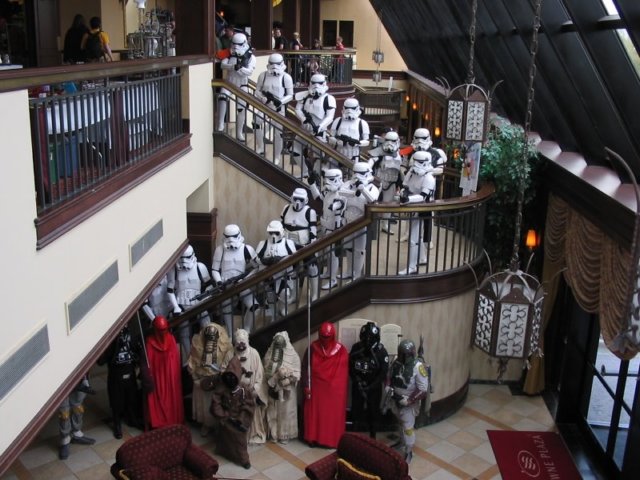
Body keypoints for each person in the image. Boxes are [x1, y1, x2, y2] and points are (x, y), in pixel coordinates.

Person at [303, 321, 349, 448]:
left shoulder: (341, 351)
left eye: (328, 337)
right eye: (323, 336)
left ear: (333, 335)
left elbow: (342, 374)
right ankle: (312, 438)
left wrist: (335, 387)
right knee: (314, 415)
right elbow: (305, 368)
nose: (325, 339)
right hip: (316, 389)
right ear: (319, 335)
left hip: (334, 393)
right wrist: (306, 385)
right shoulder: (312, 349)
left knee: (331, 417)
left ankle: (331, 440)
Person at [385, 339, 430, 463]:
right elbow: (389, 376)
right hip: (395, 399)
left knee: (408, 427)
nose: (404, 357)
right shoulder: (396, 361)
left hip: (409, 402)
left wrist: (410, 400)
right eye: (402, 354)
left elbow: (423, 389)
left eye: (406, 355)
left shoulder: (418, 366)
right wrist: (388, 387)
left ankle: (409, 450)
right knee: (399, 422)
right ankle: (402, 441)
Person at [166, 245, 213, 364]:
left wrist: (204, 298)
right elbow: (170, 290)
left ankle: (208, 355)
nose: (184, 261)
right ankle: (188, 358)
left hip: (198, 302)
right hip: (181, 304)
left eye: (186, 258)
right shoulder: (174, 270)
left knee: (207, 326)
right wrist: (176, 307)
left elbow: (209, 285)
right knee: (184, 333)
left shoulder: (200, 267)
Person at [211, 224, 259, 336]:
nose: (231, 240)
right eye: (228, 237)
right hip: (225, 284)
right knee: (226, 309)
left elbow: (257, 267)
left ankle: (246, 329)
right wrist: (219, 282)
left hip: (241, 284)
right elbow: (214, 269)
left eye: (233, 236)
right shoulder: (220, 250)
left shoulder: (246, 249)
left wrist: (246, 279)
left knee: (254, 306)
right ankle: (230, 333)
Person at [222, 329, 268, 444]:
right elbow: (223, 370)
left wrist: (256, 388)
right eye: (238, 343)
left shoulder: (254, 353)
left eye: (243, 343)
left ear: (247, 342)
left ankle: (253, 434)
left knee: (250, 408)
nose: (241, 346)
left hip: (250, 391)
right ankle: (235, 437)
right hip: (234, 392)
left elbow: (260, 374)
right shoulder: (230, 354)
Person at [97, 325, 143, 439]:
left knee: (132, 397)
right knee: (116, 400)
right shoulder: (110, 338)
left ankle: (132, 419)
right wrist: (115, 344)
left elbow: (138, 352)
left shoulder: (130, 335)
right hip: (116, 373)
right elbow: (100, 361)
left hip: (129, 370)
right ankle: (117, 423)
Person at [187, 322, 232, 437]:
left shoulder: (226, 346)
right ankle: (206, 425)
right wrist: (195, 378)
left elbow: (229, 362)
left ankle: (219, 425)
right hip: (202, 381)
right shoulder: (197, 345)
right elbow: (192, 363)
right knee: (205, 407)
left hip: (218, 380)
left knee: (217, 404)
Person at [210, 356, 255, 469]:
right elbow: (216, 400)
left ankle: (244, 460)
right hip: (225, 417)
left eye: (233, 376)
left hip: (238, 420)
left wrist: (241, 419)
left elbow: (248, 405)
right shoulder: (222, 386)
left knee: (240, 441)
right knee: (224, 438)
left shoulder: (244, 389)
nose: (230, 379)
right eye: (228, 376)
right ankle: (223, 452)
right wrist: (222, 414)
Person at [141, 315, 184, 429]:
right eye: (160, 330)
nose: (162, 332)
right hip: (158, 378)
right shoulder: (150, 343)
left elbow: (175, 360)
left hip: (170, 377)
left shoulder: (170, 339)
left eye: (164, 329)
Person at [338, 162, 379, 280]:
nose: (357, 176)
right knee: (348, 247)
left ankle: (357, 274)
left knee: (359, 250)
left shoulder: (372, 187)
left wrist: (363, 189)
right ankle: (349, 271)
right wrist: (353, 191)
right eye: (355, 172)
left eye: (360, 173)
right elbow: (340, 193)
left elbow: (373, 200)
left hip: (362, 222)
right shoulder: (348, 184)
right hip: (348, 220)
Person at [398, 151, 437, 274]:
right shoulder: (413, 173)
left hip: (422, 209)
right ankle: (422, 257)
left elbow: (423, 196)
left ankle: (412, 267)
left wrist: (408, 199)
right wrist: (404, 193)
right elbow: (405, 185)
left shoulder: (429, 178)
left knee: (413, 238)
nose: (415, 165)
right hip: (412, 206)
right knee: (416, 235)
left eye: (419, 162)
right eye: (414, 161)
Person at [307, 168, 346, 289]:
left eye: (331, 180)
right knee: (328, 253)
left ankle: (333, 279)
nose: (328, 183)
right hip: (325, 225)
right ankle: (329, 272)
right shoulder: (328, 192)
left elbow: (340, 207)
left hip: (334, 228)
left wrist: (337, 232)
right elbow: (318, 198)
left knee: (333, 254)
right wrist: (312, 184)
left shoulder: (342, 193)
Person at [349, 322, 389, 439]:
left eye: (370, 338)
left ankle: (373, 436)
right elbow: (350, 366)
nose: (367, 341)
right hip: (358, 385)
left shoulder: (381, 352)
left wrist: (371, 386)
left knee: (373, 412)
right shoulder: (356, 348)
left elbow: (383, 373)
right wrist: (357, 380)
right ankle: (355, 435)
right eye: (365, 338)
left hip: (374, 387)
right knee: (356, 410)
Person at [254, 53, 294, 166]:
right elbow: (257, 90)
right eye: (272, 64)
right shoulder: (263, 75)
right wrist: (262, 97)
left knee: (278, 134)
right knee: (256, 122)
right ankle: (261, 146)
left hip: (279, 108)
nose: (274, 66)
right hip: (266, 105)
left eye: (277, 64)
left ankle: (277, 157)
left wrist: (280, 101)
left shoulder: (286, 77)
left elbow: (290, 95)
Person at [293, 73, 337, 176]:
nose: (316, 86)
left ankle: (315, 177)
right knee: (295, 150)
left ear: (324, 84)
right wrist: (303, 118)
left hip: (319, 131)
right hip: (305, 129)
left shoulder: (329, 99)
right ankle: (305, 171)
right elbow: (297, 109)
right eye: (314, 83)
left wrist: (320, 127)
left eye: (319, 83)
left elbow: (330, 117)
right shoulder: (304, 95)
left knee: (318, 156)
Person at [280, 187, 319, 301]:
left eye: (301, 200)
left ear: (305, 200)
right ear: (292, 197)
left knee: (312, 268)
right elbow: (281, 226)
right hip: (289, 245)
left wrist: (312, 245)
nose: (298, 202)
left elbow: (313, 230)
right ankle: (293, 295)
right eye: (296, 198)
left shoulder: (310, 212)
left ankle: (314, 294)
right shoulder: (286, 209)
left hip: (305, 245)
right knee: (291, 271)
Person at [217, 32, 256, 141]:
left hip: (242, 84)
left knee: (241, 108)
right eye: (234, 44)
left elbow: (249, 72)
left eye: (238, 44)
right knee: (222, 97)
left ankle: (239, 132)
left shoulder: (251, 56)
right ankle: (220, 123)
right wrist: (233, 66)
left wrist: (240, 68)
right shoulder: (230, 53)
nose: (235, 47)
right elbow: (222, 64)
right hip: (229, 82)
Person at [263, 331, 300, 444]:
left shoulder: (293, 355)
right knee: (273, 411)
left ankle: (284, 434)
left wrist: (288, 380)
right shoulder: (269, 353)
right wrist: (274, 377)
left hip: (287, 390)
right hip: (273, 387)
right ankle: (273, 433)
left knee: (285, 412)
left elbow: (297, 372)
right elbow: (265, 368)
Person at [255, 220, 297, 318]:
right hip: (269, 276)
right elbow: (256, 258)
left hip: (284, 275)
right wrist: (266, 261)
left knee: (285, 293)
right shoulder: (263, 243)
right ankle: (273, 314)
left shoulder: (288, 243)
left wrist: (281, 259)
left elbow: (294, 257)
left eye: (276, 233)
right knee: (270, 296)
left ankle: (283, 309)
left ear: (281, 232)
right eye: (271, 232)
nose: (273, 235)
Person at [370, 130, 403, 234]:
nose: (390, 143)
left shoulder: (399, 154)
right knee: (373, 202)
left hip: (392, 182)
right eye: (388, 140)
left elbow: (401, 171)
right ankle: (371, 224)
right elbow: (371, 163)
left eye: (392, 141)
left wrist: (401, 184)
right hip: (378, 181)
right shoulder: (379, 152)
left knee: (388, 205)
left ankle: (385, 224)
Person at [58, 376, 96, 459]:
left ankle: (76, 433)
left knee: (78, 407)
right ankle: (65, 440)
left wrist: (85, 379)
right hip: (60, 382)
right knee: (64, 413)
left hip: (79, 379)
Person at [328, 97, 370, 164]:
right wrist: (337, 142)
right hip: (338, 154)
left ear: (357, 108)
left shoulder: (362, 123)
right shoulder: (338, 121)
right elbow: (330, 137)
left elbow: (367, 141)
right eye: (347, 108)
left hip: (354, 155)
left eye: (352, 108)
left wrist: (357, 143)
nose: (349, 111)